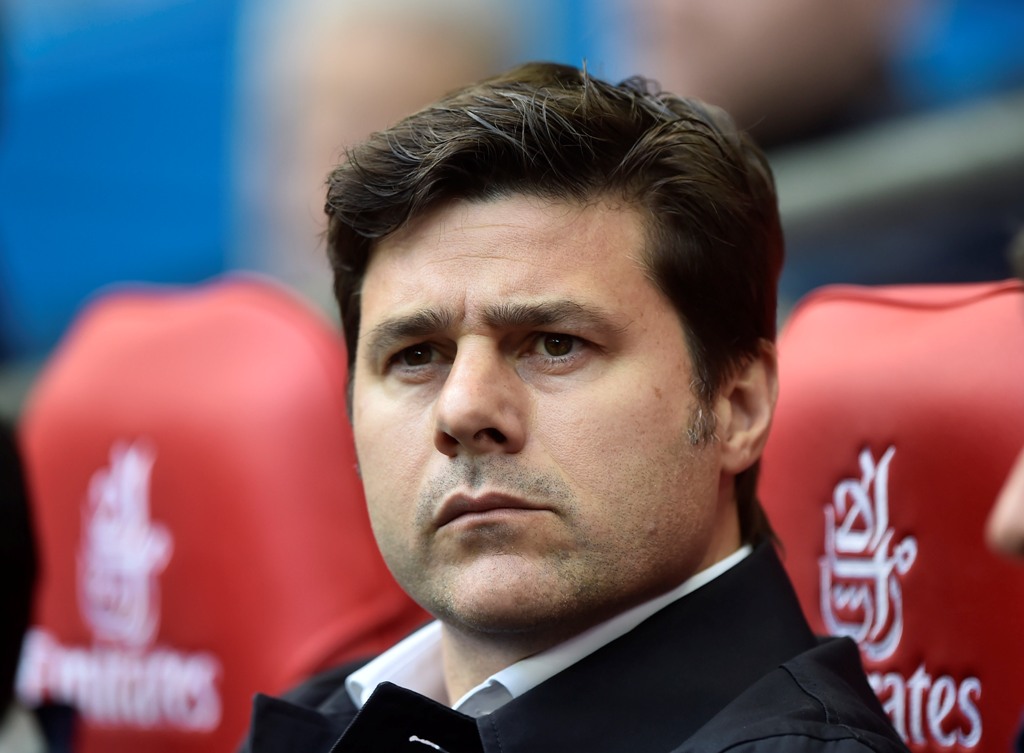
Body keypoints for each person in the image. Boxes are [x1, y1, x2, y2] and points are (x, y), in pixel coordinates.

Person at [242, 62, 908, 753]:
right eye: (416, 355)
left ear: (738, 405)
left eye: (555, 344)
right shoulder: (322, 718)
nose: (464, 409)